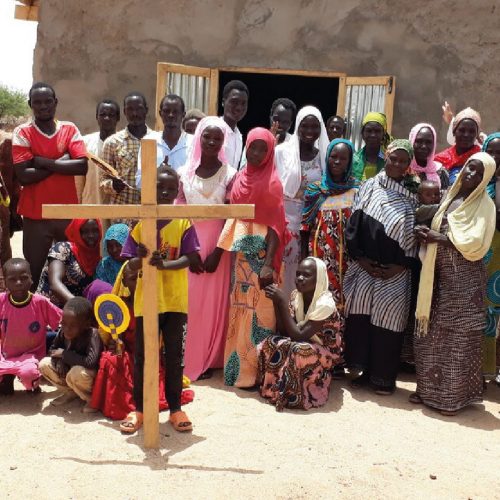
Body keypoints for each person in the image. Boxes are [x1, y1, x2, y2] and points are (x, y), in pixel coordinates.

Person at [119, 165, 201, 434]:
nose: (165, 192)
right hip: (147, 302)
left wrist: (165, 265)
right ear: (149, 189)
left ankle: (175, 409)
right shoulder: (141, 224)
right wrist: (139, 258)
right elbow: (129, 265)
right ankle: (140, 409)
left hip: (175, 301)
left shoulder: (183, 221)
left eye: (170, 188)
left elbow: (191, 257)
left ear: (178, 191)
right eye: (159, 187)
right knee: (143, 357)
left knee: (175, 356)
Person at [413, 152, 496, 415]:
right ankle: (427, 391)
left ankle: (452, 399)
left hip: (466, 282)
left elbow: (475, 243)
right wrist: (425, 233)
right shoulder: (450, 196)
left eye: (479, 173)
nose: (471, 175)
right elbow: (437, 225)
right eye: (470, 168)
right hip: (438, 276)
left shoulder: (485, 206)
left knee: (458, 339)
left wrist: (438, 238)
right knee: (431, 335)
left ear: (486, 179)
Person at [343, 139, 419, 395]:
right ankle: (363, 372)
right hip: (366, 267)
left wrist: (400, 266)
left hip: (396, 272)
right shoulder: (369, 186)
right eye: (393, 158)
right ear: (386, 158)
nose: (396, 164)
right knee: (362, 319)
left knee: (389, 322)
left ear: (408, 164)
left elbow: (415, 236)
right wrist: (362, 260)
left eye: (402, 161)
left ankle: (383, 378)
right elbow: (354, 223)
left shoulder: (413, 197)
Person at [218, 128, 289, 388]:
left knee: (261, 314)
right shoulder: (240, 177)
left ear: (270, 153)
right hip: (242, 258)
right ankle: (237, 373)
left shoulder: (273, 183)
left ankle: (258, 374)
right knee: (240, 310)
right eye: (252, 147)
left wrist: (268, 264)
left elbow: (276, 227)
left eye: (262, 149)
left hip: (262, 258)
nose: (256, 153)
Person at [89, 262, 194, 419]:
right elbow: (118, 337)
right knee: (108, 359)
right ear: (124, 282)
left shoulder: (156, 306)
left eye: (142, 278)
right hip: (129, 354)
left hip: (149, 356)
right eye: (133, 279)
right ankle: (116, 405)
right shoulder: (120, 305)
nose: (138, 283)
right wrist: (117, 344)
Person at [12, 82, 88, 289]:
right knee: (34, 271)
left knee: (71, 271)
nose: (43, 106)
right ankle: (35, 308)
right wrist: (62, 162)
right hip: (35, 214)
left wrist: (42, 162)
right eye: (37, 102)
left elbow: (82, 166)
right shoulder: (23, 132)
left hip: (66, 212)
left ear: (56, 102)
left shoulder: (69, 129)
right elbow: (24, 176)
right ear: (30, 104)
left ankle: (68, 309)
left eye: (48, 101)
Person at [177, 116, 236, 381]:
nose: (212, 142)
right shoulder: (183, 172)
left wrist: (218, 253)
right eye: (207, 137)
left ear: (224, 142)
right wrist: (187, 250)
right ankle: (188, 357)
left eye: (217, 138)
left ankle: (211, 358)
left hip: (217, 246)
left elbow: (232, 217)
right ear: (198, 138)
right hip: (188, 243)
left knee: (213, 304)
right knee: (190, 302)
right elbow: (177, 212)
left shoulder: (230, 174)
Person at [257, 257, 343, 411]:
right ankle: (274, 389)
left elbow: (298, 335)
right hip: (303, 340)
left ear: (319, 280)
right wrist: (276, 302)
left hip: (325, 353)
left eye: (306, 275)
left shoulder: (325, 304)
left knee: (299, 350)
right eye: (298, 274)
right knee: (271, 342)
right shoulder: (297, 297)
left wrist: (282, 302)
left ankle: (298, 394)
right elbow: (284, 331)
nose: (300, 278)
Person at [275, 105, 329, 299]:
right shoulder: (281, 152)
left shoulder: (323, 157)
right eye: (305, 126)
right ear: (297, 126)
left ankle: (297, 315)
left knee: (304, 275)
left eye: (315, 127)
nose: (309, 131)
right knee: (281, 274)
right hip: (283, 223)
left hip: (311, 226)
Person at [301, 138, 358, 308]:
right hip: (320, 257)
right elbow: (305, 228)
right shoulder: (315, 190)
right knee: (319, 300)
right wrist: (304, 259)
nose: (337, 162)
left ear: (349, 161)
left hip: (349, 259)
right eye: (333, 157)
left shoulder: (357, 190)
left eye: (343, 158)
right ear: (327, 158)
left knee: (346, 302)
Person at [0, 258, 62, 395]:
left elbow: (62, 322)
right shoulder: (1, 301)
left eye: (23, 278)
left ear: (31, 279)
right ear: (5, 282)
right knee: (5, 389)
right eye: (12, 279)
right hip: (5, 355)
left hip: (31, 357)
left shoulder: (40, 302)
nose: (18, 283)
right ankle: (7, 379)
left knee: (29, 373)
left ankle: (32, 383)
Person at [39, 297, 103, 412]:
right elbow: (53, 350)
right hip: (69, 370)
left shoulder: (92, 334)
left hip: (86, 375)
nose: (67, 329)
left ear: (86, 324)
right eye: (63, 323)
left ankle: (91, 400)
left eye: (73, 326)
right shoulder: (62, 332)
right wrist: (59, 361)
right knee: (44, 364)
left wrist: (65, 355)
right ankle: (71, 392)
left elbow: (90, 362)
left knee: (76, 372)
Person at [100, 92, 153, 215]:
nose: (135, 113)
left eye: (139, 109)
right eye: (130, 109)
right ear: (124, 112)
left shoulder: (156, 140)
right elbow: (103, 180)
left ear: (146, 110)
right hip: (121, 214)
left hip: (150, 214)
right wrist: (113, 185)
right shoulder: (112, 142)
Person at [37, 219, 102, 308]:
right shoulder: (63, 249)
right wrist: (79, 307)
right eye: (85, 231)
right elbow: (55, 283)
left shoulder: (98, 256)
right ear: (77, 232)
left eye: (95, 231)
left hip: (78, 311)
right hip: (50, 308)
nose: (91, 235)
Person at [136, 94, 190, 187]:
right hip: (155, 196)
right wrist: (158, 174)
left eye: (175, 112)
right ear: (160, 113)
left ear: (183, 115)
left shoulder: (192, 143)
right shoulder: (149, 141)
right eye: (167, 111)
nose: (171, 115)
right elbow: (140, 183)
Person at [480, 133, 500, 378]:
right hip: (479, 253)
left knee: (493, 312)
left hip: (498, 255)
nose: (495, 157)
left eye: (499, 153)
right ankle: (475, 370)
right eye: (491, 152)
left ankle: (489, 368)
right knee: (478, 311)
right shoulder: (477, 180)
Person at [76, 99, 120, 204]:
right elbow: (78, 180)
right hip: (90, 205)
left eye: (111, 115)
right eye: (102, 114)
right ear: (97, 117)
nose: (106, 118)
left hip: (116, 208)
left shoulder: (123, 145)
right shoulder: (85, 143)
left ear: (118, 118)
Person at [435, 107, 482, 185]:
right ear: (454, 132)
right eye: (462, 130)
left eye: (471, 131)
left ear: (477, 135)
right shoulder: (439, 161)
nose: (466, 135)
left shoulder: (482, 158)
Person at [351, 112, 391, 181]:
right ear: (362, 134)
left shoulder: (389, 162)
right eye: (369, 131)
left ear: (383, 134)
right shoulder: (353, 160)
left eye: (377, 131)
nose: (373, 135)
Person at [409, 123, 449, 189]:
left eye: (428, 142)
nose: (424, 146)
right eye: (419, 141)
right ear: (412, 141)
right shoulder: (403, 169)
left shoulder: (440, 172)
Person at [220, 80, 249, 168]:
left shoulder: (238, 136)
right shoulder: (215, 130)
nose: (239, 108)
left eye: (243, 103)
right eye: (234, 102)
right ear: (223, 102)